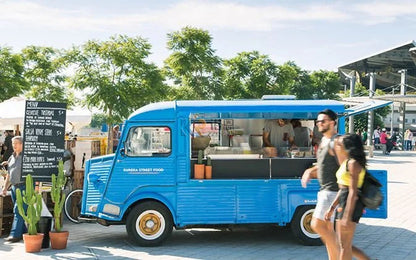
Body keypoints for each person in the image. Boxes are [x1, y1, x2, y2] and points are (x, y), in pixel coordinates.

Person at [301, 109, 340, 259]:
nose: (319, 124)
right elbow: (323, 165)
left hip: (332, 191)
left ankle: (344, 252)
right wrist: (309, 171)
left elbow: (346, 167)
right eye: (317, 121)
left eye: (322, 121)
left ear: (332, 122)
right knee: (329, 231)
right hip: (324, 190)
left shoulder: (336, 142)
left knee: (316, 225)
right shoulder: (324, 141)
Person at [325, 134, 370, 260]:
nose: (338, 147)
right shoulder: (347, 162)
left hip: (350, 204)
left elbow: (352, 191)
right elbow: (343, 188)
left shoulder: (353, 164)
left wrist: (347, 216)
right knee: (343, 244)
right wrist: (332, 207)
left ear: (348, 146)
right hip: (344, 201)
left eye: (340, 144)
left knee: (344, 245)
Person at [1, 136, 27, 243]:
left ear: (22, 144)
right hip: (14, 188)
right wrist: (5, 188)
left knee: (18, 210)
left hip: (24, 186)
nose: (14, 146)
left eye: (16, 143)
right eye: (13, 144)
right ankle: (24, 232)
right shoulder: (11, 157)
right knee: (18, 211)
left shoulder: (26, 158)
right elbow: (8, 175)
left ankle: (14, 235)